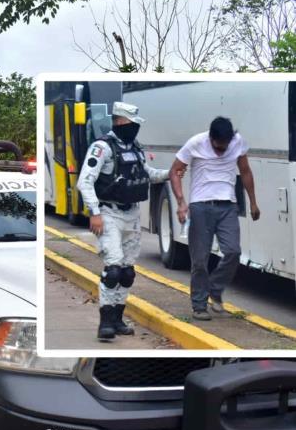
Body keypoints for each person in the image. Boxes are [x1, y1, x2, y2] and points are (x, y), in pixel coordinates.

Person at [77, 101, 171, 340]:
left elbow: (147, 173)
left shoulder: (135, 147)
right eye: (131, 123)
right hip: (109, 214)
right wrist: (95, 213)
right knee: (113, 270)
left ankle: (118, 319)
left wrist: (171, 173)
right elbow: (85, 182)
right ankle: (105, 323)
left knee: (128, 272)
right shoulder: (102, 147)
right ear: (119, 122)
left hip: (132, 215)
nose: (135, 128)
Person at [169, 117, 260, 321]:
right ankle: (199, 305)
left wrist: (253, 202)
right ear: (210, 138)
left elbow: (245, 171)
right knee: (200, 259)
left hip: (228, 205)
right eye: (217, 147)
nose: (221, 151)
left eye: (225, 147)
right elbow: (174, 171)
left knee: (233, 251)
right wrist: (181, 202)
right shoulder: (196, 143)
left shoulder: (238, 142)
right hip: (201, 206)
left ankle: (215, 289)